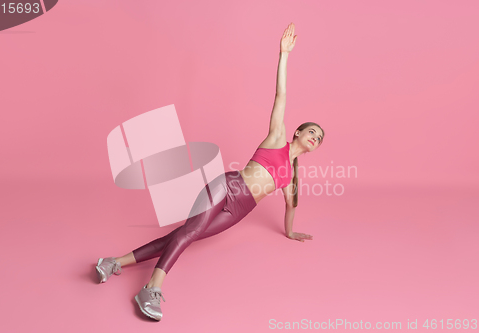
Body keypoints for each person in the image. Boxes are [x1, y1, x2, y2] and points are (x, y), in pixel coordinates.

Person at [95, 22, 325, 321]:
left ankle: (111, 262)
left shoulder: (292, 177)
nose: (314, 137)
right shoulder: (277, 138)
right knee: (189, 233)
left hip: (240, 211)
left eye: (319, 139)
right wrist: (283, 55)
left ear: (316, 148)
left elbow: (292, 205)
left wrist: (291, 231)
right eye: (311, 131)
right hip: (228, 188)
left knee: (184, 235)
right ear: (298, 132)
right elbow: (280, 96)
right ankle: (151, 289)